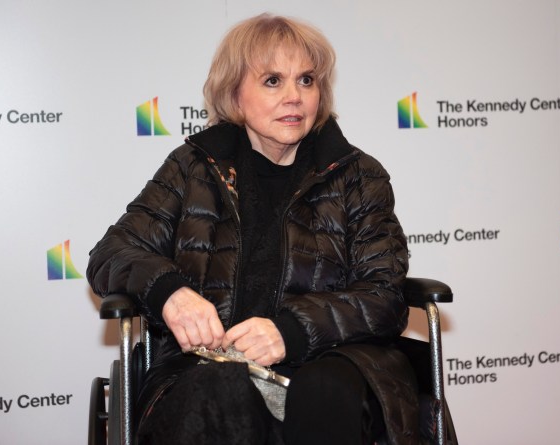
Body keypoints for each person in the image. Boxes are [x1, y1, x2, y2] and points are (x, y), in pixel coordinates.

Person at [87, 13, 418, 445]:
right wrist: (170, 292)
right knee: (221, 392)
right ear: (235, 95)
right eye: (272, 81)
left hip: (330, 359)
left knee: (324, 391)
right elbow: (112, 252)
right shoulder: (192, 168)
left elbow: (385, 296)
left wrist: (291, 331)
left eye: (306, 80)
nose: (294, 97)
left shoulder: (358, 176)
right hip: (205, 369)